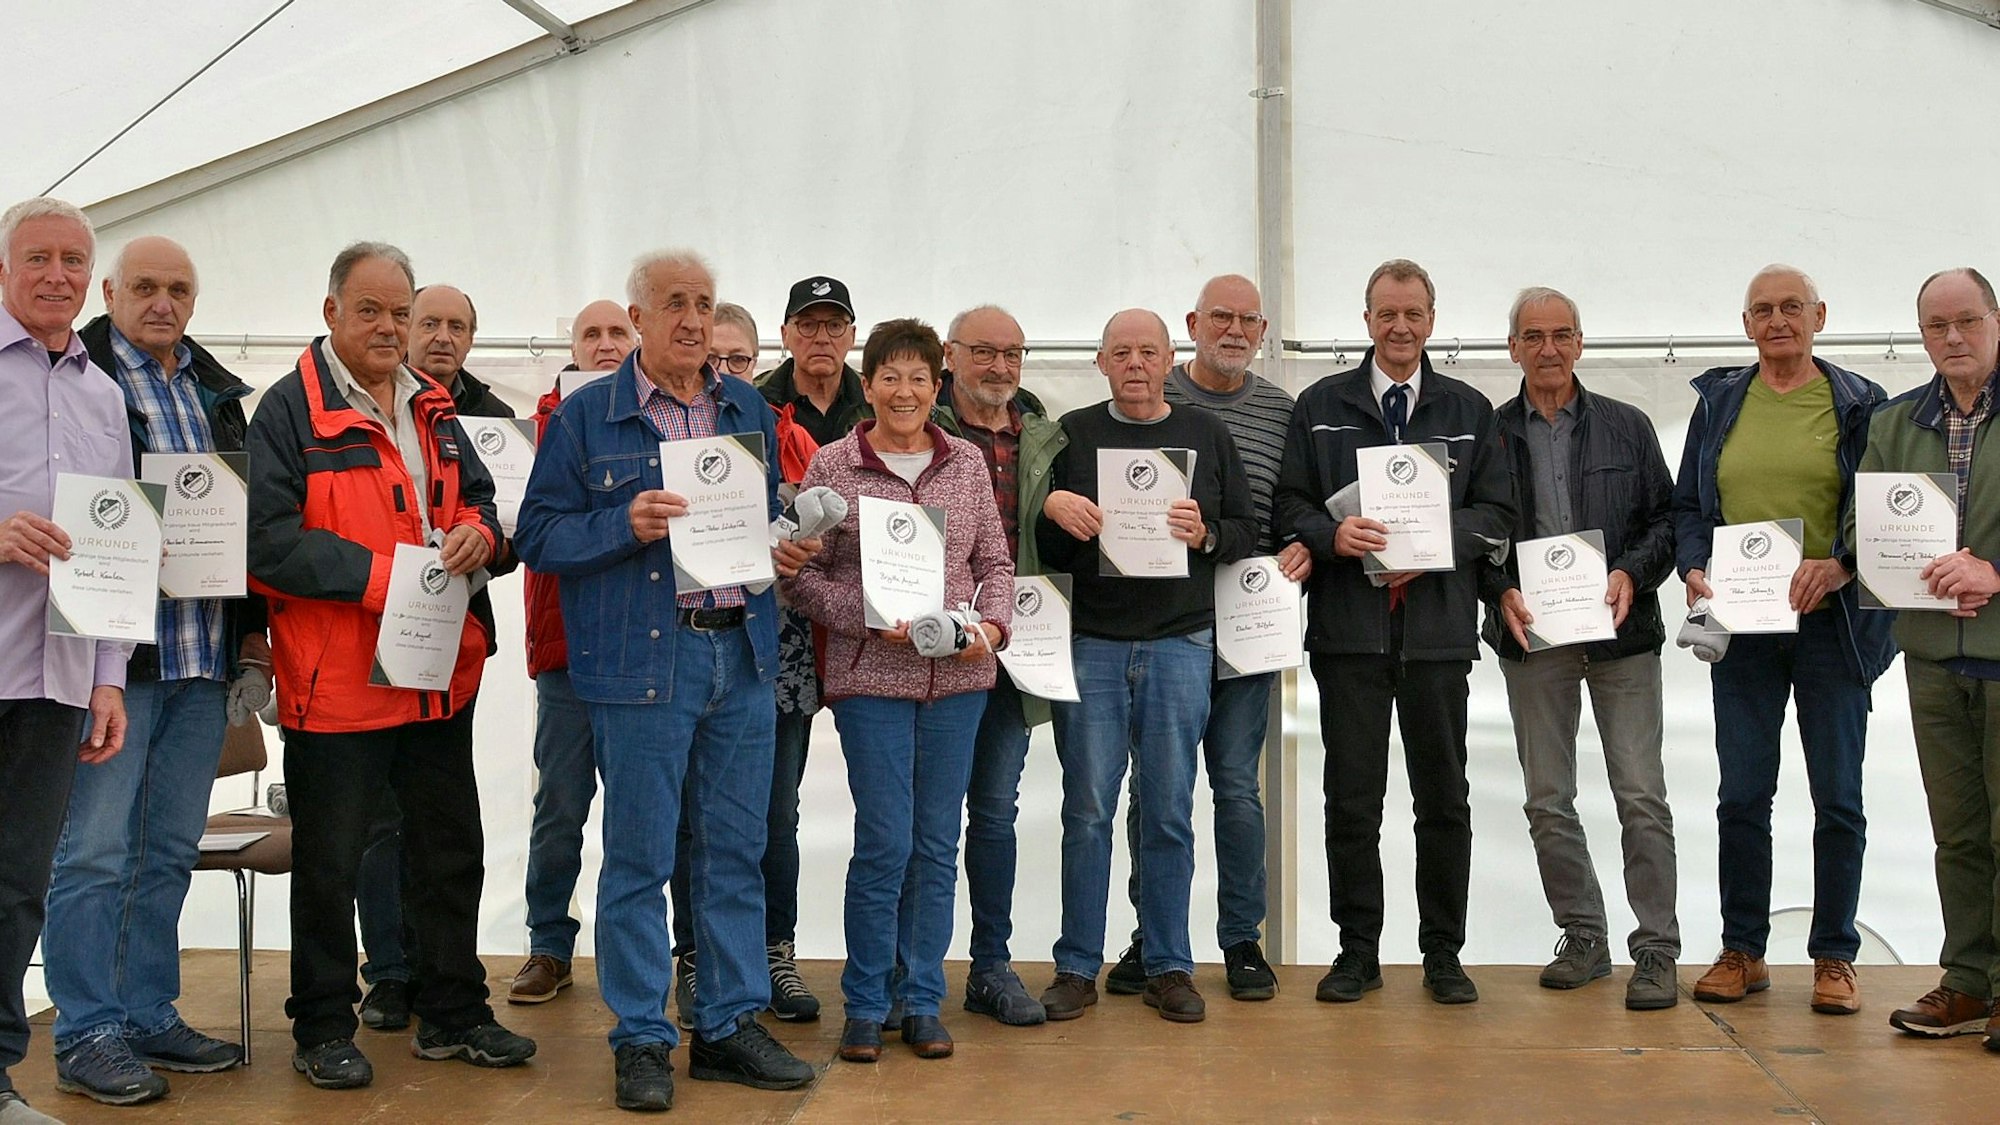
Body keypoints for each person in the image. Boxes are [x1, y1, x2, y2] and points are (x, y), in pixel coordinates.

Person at [514, 250, 819, 1113]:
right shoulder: (584, 419)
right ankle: (643, 1035)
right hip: (645, 662)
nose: (692, 320)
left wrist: (782, 543)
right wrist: (624, 521)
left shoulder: (745, 403)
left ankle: (725, 1025)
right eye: (674, 304)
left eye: (705, 303)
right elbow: (537, 535)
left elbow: (760, 518)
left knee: (733, 854)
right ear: (639, 319)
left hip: (743, 653)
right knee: (641, 858)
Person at [246, 241, 534, 1089]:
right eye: (369, 309)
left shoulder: (435, 406)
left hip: (439, 672)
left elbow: (483, 502)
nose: (387, 326)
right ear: (331, 311)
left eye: (398, 312)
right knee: (331, 865)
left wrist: (484, 533)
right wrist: (379, 578)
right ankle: (324, 1026)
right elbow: (265, 546)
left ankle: (454, 1011)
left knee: (451, 848)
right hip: (335, 683)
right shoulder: (285, 412)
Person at [41, 236, 269, 1106]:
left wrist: (251, 636)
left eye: (178, 288)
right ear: (110, 291)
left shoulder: (214, 394)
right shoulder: (84, 378)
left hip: (203, 658)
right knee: (94, 851)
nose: (162, 301)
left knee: (166, 849)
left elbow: (238, 528)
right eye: (145, 286)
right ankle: (87, 1027)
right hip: (117, 657)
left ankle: (145, 1008)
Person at [1274, 258, 1514, 1007]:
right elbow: (1289, 504)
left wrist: (1434, 538)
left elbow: (1498, 515)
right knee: (1352, 799)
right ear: (1367, 319)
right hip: (1350, 636)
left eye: (1413, 314)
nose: (1400, 326)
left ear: (1432, 320)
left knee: (1443, 798)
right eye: (1387, 314)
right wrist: (1333, 533)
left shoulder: (1471, 409)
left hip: (1439, 636)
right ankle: (1358, 950)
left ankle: (1443, 952)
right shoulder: (1320, 404)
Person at [787, 317, 1013, 1062]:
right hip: (869, 679)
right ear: (870, 381)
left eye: (920, 377)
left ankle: (921, 999)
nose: (906, 390)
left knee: (936, 843)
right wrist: (868, 619)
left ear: (935, 384)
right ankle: (864, 1003)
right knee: (884, 841)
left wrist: (994, 628)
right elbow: (804, 577)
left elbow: (997, 566)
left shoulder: (969, 465)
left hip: (959, 678)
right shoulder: (832, 464)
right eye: (891, 375)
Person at [1672, 265, 1893, 1016]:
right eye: (1762, 310)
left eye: (1791, 307)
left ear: (1819, 315)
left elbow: (1881, 509)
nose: (1777, 321)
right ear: (1746, 324)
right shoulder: (1721, 403)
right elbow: (1690, 505)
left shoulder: (1860, 404)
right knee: (1742, 791)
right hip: (1741, 624)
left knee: (1838, 796)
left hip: (1834, 625)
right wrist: (1694, 564)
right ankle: (1743, 949)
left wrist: (1842, 565)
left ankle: (1834, 955)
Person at [1036, 309, 1257, 1025]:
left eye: (1148, 351)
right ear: (1101, 361)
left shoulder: (1206, 434)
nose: (1135, 363)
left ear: (1171, 359)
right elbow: (1050, 547)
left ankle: (1168, 964)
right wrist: (1052, 509)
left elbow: (1246, 530)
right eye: (1121, 351)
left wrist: (1209, 531)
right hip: (1092, 643)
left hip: (1180, 643)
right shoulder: (1072, 435)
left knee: (1168, 811)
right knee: (1088, 809)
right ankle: (1076, 965)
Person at [1477, 286, 1680, 1010]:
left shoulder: (1628, 427)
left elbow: (1667, 519)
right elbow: (1473, 533)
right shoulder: (1489, 433)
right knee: (1546, 798)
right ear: (1513, 348)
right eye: (1533, 336)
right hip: (1534, 639)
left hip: (1623, 637)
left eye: (1562, 334)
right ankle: (1584, 935)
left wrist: (1631, 571)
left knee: (1641, 794)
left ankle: (1656, 949)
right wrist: (1498, 588)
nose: (1549, 349)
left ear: (1581, 342)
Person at [1105, 274, 1301, 1003]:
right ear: (1191, 323)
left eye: (1249, 319)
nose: (1235, 328)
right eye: (1221, 315)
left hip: (1248, 625)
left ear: (1263, 329)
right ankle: (1153, 937)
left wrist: (1302, 543)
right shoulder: (1153, 397)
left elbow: (1287, 509)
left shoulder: (1282, 411)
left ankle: (1241, 937)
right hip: (1161, 629)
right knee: (1156, 791)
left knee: (1238, 789)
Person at [0, 197, 132, 1125]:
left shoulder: (102, 393)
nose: (57, 275)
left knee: (15, 887)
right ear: (5, 268)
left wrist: (111, 676)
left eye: (73, 260)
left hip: (55, 678)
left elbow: (120, 538)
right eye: (39, 257)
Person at [356, 282, 518, 1031]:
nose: (442, 336)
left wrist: (485, 541)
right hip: (361, 632)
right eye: (430, 322)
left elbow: (513, 528)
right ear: (404, 327)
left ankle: (448, 975)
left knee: (442, 814)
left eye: (459, 324)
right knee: (379, 817)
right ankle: (389, 971)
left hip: (452, 634)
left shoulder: (493, 420)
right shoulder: (353, 401)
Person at [666, 301, 822, 1028]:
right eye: (715, 357)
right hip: (685, 643)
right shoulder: (672, 431)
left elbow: (813, 543)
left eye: (737, 358)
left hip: (772, 650)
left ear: (757, 362)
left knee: (773, 816)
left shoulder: (783, 431)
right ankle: (696, 956)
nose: (723, 369)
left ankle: (774, 952)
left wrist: (800, 547)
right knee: (690, 824)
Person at [1863, 268, 2000, 1045]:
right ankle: (1969, 980)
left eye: (1966, 321)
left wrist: (1993, 572)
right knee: (1958, 831)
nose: (1952, 338)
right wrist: (1893, 564)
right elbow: (1866, 527)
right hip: (1931, 657)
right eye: (1934, 327)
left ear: (1996, 320)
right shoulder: (1896, 421)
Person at [508, 299, 638, 1007]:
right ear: (572, 347)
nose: (607, 344)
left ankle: (645, 954)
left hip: (641, 647)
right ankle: (548, 944)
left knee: (640, 809)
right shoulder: (532, 429)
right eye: (593, 333)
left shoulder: (655, 418)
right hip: (563, 646)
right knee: (560, 803)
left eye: (619, 332)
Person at [941, 305, 1066, 1027]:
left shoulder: (1049, 435)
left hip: (1017, 646)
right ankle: (907, 969)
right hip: (935, 647)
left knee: (993, 814)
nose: (1000, 366)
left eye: (1013, 352)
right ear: (950, 356)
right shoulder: (914, 424)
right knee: (920, 820)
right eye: (983, 351)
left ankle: (991, 965)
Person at [743, 276, 863, 1021]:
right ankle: (761, 953)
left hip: (864, 634)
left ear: (853, 334)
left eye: (834, 325)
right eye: (808, 325)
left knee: (883, 811)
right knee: (766, 807)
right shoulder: (750, 408)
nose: (822, 338)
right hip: (776, 638)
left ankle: (877, 969)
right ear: (785, 334)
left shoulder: (886, 404)